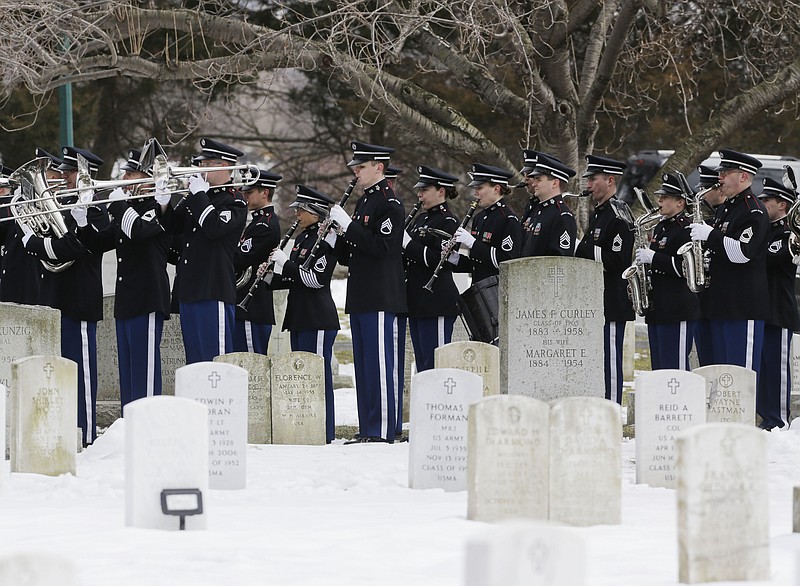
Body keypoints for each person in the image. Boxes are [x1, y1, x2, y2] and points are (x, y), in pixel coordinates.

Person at [22, 145, 108, 445]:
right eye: (62, 171)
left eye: (69, 171)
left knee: (80, 371)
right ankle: (61, 429)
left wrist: (35, 243)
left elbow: (75, 247)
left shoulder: (96, 209)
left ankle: (84, 432)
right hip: (54, 297)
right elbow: (53, 244)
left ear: (85, 175)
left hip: (79, 300)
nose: (62, 176)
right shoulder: (61, 204)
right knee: (55, 371)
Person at [73, 148, 171, 411]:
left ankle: (149, 425)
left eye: (131, 172)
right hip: (127, 300)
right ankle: (130, 427)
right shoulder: (129, 209)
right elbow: (97, 244)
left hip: (148, 298)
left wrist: (118, 204)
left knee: (145, 369)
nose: (124, 176)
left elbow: (139, 232)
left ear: (147, 178)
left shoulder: (158, 208)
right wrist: (82, 221)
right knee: (128, 371)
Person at [327, 140, 406, 444]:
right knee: (364, 365)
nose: (356, 173)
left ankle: (384, 429)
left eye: (361, 167)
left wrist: (350, 227)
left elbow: (383, 248)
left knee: (380, 364)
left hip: (381, 295)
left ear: (379, 167)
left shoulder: (390, 203)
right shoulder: (365, 202)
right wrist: (338, 235)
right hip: (361, 293)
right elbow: (354, 254)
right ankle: (369, 426)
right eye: (356, 168)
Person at [161, 138, 247, 364]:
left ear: (224, 166)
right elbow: (172, 227)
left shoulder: (235, 201)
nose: (199, 169)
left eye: (206, 163)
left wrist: (199, 196)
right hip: (190, 290)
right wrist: (163, 203)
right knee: (195, 362)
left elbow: (214, 228)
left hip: (213, 289)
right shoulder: (198, 196)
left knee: (215, 360)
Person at [688, 149, 769, 378]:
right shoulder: (727, 208)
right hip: (720, 304)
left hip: (743, 307)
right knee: (717, 375)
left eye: (725, 172)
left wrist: (710, 236)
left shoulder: (753, 211)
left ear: (743, 176)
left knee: (740, 377)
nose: (720, 177)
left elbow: (742, 253)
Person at [269, 185, 340, 443]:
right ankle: (309, 427)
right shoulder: (302, 238)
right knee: (304, 377)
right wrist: (269, 277)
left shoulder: (325, 240)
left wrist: (284, 263)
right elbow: (294, 278)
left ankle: (325, 430)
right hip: (299, 316)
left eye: (301, 209)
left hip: (318, 318)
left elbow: (314, 280)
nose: (297, 213)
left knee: (318, 376)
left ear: (315, 212)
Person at [574, 154, 634, 404]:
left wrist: (581, 248)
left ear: (610, 181)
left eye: (593, 179)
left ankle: (611, 406)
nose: (588, 185)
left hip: (612, 300)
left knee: (610, 359)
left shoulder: (618, 215)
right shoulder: (600, 213)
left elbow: (617, 261)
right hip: (596, 300)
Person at [634, 172, 700, 370]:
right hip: (659, 309)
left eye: (665, 197)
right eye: (659, 197)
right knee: (660, 369)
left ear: (680, 202)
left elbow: (686, 268)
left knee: (676, 369)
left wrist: (653, 258)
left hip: (678, 308)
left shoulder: (687, 229)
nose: (659, 201)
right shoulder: (662, 226)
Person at [402, 165, 461, 372]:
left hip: (436, 301)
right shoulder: (420, 219)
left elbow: (440, 260)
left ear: (441, 191)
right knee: (423, 367)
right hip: (418, 301)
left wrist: (408, 245)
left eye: (425, 190)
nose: (419, 194)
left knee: (436, 366)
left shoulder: (449, 221)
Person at [755, 178, 799, 430]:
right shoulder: (766, 229)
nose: (762, 203)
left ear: (782, 205)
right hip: (761, 308)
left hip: (779, 310)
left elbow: (765, 260)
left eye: (767, 200)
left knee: (777, 369)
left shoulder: (787, 234)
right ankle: (765, 416)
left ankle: (779, 419)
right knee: (762, 367)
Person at [233, 169, 282, 354]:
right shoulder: (257, 221)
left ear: (265, 193)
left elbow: (240, 259)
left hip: (252, 308)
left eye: (249, 192)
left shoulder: (265, 225)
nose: (245, 196)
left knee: (250, 365)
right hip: (245, 306)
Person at [693, 164, 725, 366]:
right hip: (703, 296)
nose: (702, 194)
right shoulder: (712, 215)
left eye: (706, 188)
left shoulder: (725, 214)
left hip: (720, 295)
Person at [519, 153, 577, 257]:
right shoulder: (537, 211)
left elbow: (561, 261)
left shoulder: (562, 216)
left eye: (538, 179)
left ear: (555, 183)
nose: (534, 184)